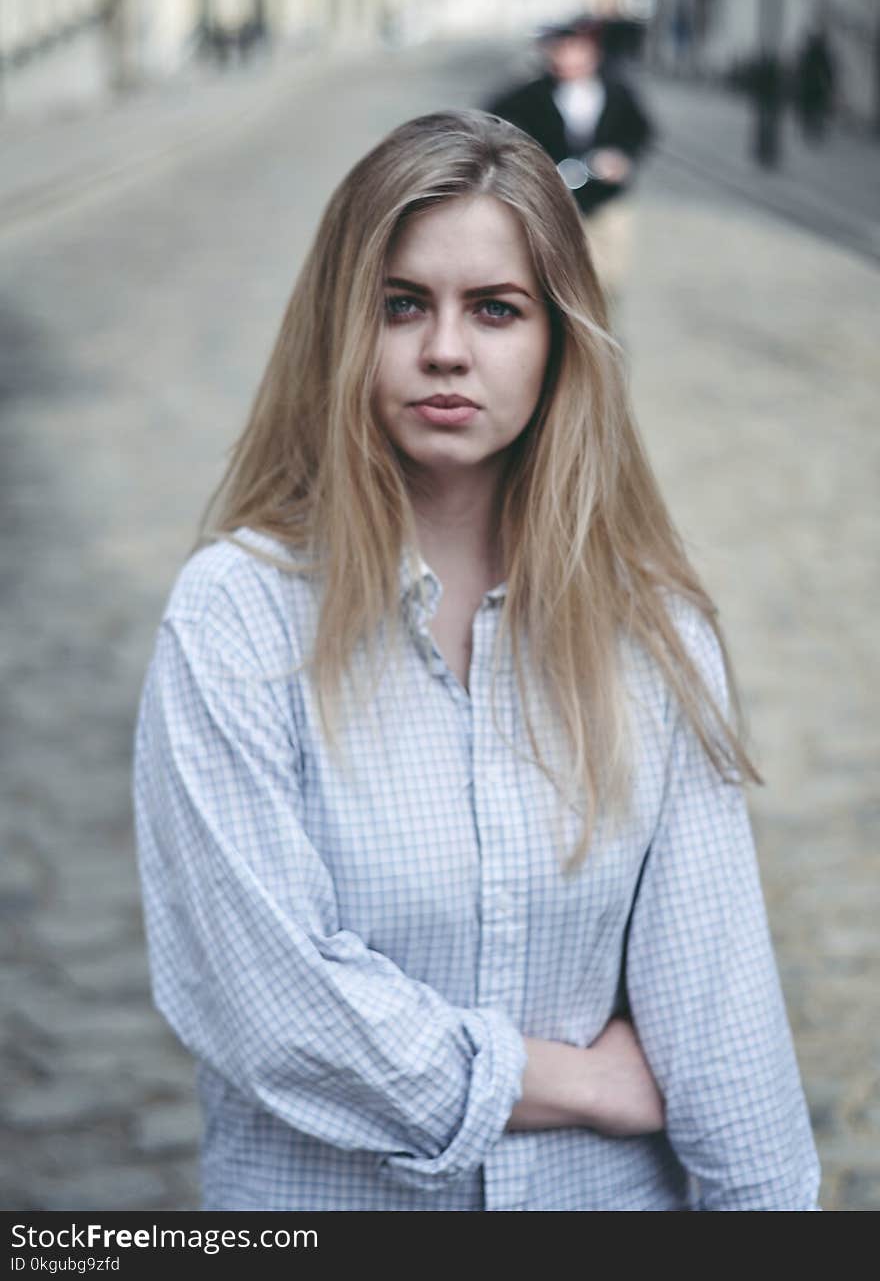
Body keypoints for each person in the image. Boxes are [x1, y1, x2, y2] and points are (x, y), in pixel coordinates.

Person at [133, 110, 820, 1212]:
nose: (444, 348)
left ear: (557, 340)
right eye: (402, 304)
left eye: (494, 309)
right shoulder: (239, 620)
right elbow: (269, 1004)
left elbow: (720, 1020)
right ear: (340, 327)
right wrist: (574, 1082)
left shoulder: (651, 634)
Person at [486, 19, 654, 305]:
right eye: (560, 51)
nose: (568, 58)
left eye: (576, 50)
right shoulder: (531, 94)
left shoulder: (616, 91)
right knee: (557, 277)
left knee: (606, 278)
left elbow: (640, 130)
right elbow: (492, 121)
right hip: (554, 200)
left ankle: (600, 337)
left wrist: (622, 157)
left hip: (606, 200)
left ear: (593, 53)